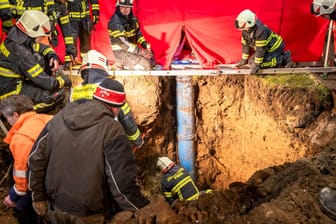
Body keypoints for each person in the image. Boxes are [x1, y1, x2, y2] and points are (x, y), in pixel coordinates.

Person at [28, 78, 177, 223]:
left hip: (56, 208)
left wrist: (38, 196)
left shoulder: (58, 118)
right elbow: (121, 181)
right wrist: (140, 206)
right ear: (116, 107)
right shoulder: (112, 129)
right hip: (90, 213)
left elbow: (35, 159)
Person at [69, 49, 145, 151]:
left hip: (80, 145)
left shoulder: (74, 91)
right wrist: (138, 140)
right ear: (103, 68)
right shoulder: (109, 89)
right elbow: (126, 118)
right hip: (106, 144)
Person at [0, 10, 71, 113]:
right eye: (42, 35)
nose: (42, 38)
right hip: (10, 92)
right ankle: (20, 113)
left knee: (41, 59)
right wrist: (62, 80)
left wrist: (52, 55)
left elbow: (38, 47)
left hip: (7, 84)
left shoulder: (15, 39)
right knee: (54, 96)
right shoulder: (22, 54)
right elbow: (46, 83)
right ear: (33, 32)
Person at [0, 95, 53, 224]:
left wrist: (12, 196)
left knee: (21, 207)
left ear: (15, 115)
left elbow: (23, 179)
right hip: (65, 177)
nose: (8, 122)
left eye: (7, 118)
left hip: (47, 184)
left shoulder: (21, 137)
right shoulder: (50, 119)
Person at [234, 9, 293, 74]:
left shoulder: (261, 31)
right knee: (251, 62)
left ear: (249, 22)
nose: (239, 24)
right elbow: (245, 46)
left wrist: (257, 65)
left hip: (274, 48)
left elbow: (260, 50)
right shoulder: (245, 30)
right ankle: (279, 57)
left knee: (260, 64)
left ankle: (283, 58)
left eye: (242, 23)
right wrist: (243, 61)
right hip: (266, 48)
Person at [108, 0, 156, 70]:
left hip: (131, 51)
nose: (126, 9)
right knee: (146, 65)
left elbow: (138, 34)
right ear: (118, 7)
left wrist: (145, 45)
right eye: (123, 7)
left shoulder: (132, 19)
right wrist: (141, 52)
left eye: (128, 7)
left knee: (151, 61)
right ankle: (120, 64)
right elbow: (122, 43)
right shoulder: (115, 21)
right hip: (119, 52)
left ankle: (128, 64)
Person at [63, 0, 100, 69]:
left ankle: (86, 61)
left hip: (85, 17)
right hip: (71, 18)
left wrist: (95, 12)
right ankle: (70, 62)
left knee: (86, 40)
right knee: (71, 40)